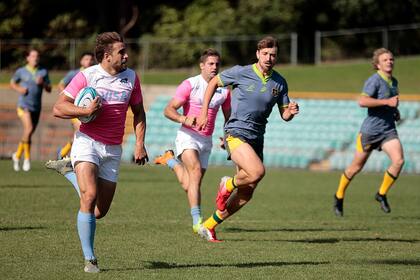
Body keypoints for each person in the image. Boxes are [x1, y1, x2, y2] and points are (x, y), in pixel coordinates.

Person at [50, 32, 148, 273]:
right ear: (107, 56)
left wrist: (139, 144)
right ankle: (90, 259)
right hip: (88, 143)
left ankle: (68, 172)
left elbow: (139, 112)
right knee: (89, 195)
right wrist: (83, 112)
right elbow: (58, 107)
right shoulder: (87, 76)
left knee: (99, 211)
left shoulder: (131, 78)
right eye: (121, 52)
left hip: (113, 149)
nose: (126, 55)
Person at [195, 36, 299, 242]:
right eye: (266, 54)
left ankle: (209, 225)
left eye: (273, 55)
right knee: (257, 171)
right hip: (236, 132)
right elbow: (214, 82)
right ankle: (228, 184)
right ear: (258, 54)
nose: (269, 58)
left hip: (257, 137)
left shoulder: (280, 83)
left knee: (247, 192)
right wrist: (204, 112)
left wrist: (292, 111)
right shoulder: (241, 72)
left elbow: (284, 115)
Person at [153, 49, 231, 233]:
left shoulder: (224, 91)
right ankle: (198, 222)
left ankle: (170, 160)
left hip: (206, 140)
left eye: (217, 64)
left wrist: (227, 137)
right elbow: (168, 109)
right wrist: (183, 119)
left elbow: (229, 118)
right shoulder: (190, 84)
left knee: (190, 184)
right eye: (210, 64)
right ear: (202, 65)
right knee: (195, 172)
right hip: (187, 136)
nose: (214, 67)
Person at [333, 48, 404, 216]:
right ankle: (339, 195)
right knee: (355, 168)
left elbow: (391, 104)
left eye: (391, 59)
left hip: (388, 130)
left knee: (399, 161)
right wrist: (387, 101)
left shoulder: (394, 82)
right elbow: (362, 101)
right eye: (385, 60)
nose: (389, 61)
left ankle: (381, 194)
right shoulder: (374, 81)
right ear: (377, 64)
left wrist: (395, 112)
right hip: (370, 132)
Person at [10, 48, 52, 171]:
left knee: (28, 133)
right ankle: (27, 159)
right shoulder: (21, 71)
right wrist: (20, 89)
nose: (36, 58)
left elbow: (49, 89)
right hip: (24, 105)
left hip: (36, 107)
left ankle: (17, 155)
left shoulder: (43, 72)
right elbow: (13, 83)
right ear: (27, 58)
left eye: (37, 56)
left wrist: (43, 83)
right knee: (28, 129)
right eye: (33, 56)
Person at [56, 52, 95, 159]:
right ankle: (72, 158)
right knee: (80, 131)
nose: (89, 61)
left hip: (89, 110)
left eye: (91, 59)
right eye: (86, 59)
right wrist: (66, 97)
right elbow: (61, 84)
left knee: (80, 134)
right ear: (81, 61)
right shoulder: (75, 73)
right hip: (75, 110)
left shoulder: (95, 73)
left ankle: (63, 153)